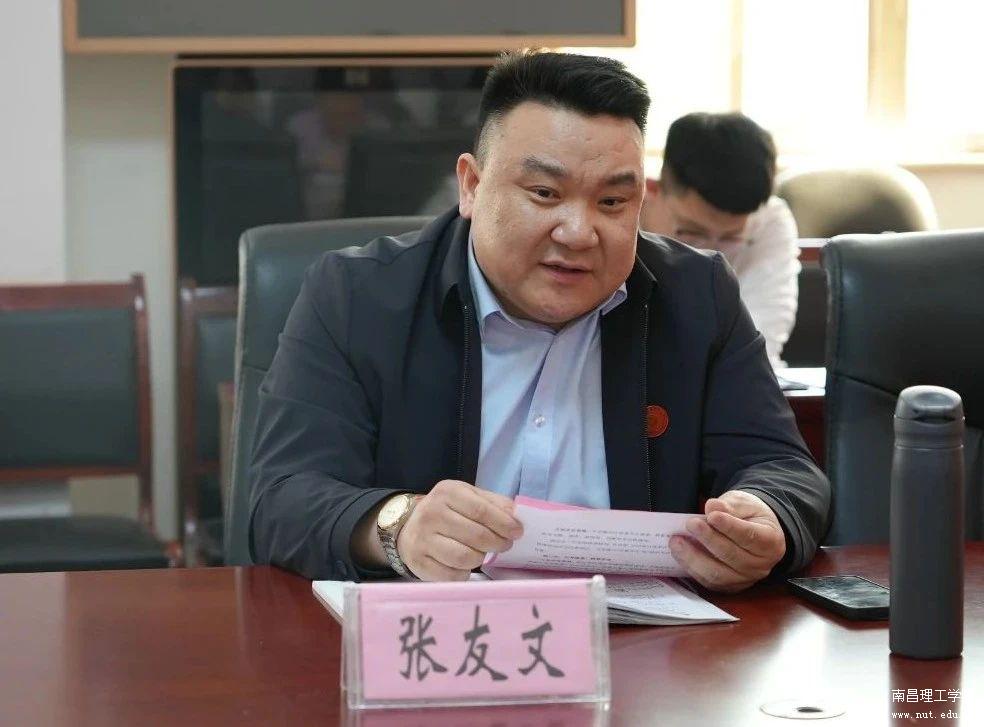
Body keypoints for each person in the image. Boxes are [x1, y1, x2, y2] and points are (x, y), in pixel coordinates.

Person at [249, 52, 830, 593]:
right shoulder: (357, 296)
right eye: (545, 193)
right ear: (471, 186)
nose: (578, 233)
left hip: (643, 642)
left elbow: (782, 468)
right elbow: (282, 498)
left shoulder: (698, 296)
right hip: (433, 640)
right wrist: (398, 525)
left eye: (611, 203)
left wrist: (764, 515)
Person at [639, 112, 800, 365]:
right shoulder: (622, 215)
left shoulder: (768, 221)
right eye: (692, 232)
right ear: (651, 190)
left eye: (731, 237)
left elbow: (761, 336)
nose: (711, 252)